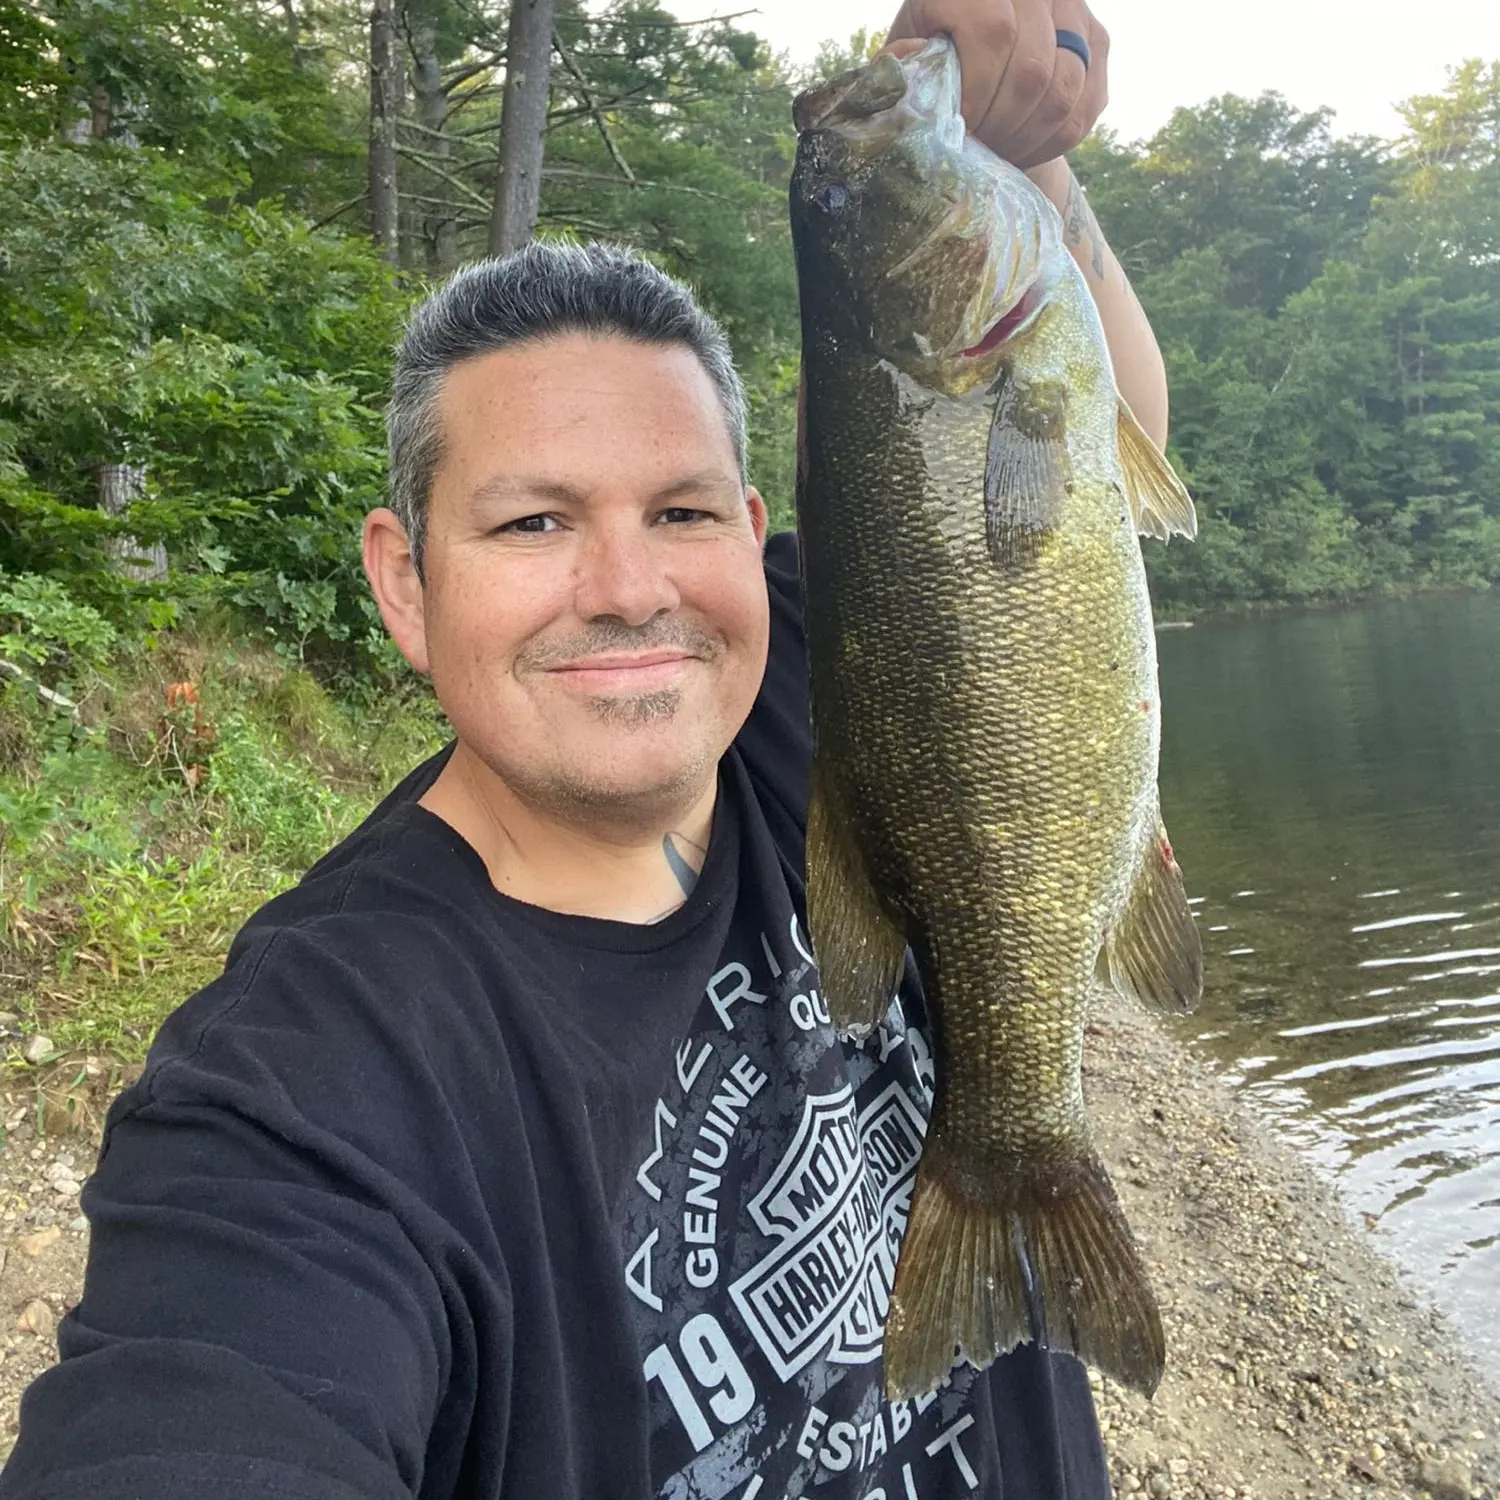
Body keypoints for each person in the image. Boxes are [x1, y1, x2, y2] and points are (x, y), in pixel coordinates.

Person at [0, 3, 1171, 1495]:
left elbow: (1097, 437)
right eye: (533, 522)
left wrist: (1037, 170)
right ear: (403, 580)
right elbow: (204, 1407)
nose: (629, 587)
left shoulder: (819, 692)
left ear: (754, 546)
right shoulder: (308, 1080)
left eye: (682, 512)